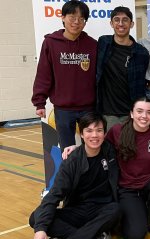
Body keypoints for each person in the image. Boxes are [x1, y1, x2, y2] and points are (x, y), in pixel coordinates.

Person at [63, 97, 150, 239]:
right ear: (132, 114)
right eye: (139, 111)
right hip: (128, 190)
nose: (144, 116)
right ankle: (131, 215)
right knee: (135, 236)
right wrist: (78, 148)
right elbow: (98, 145)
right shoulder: (117, 131)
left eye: (149, 112)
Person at [29, 112, 120, 239]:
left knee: (116, 210)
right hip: (77, 210)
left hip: (102, 210)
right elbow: (54, 194)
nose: (94, 135)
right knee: (35, 218)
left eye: (99, 130)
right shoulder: (73, 160)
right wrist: (40, 229)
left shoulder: (110, 151)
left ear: (105, 134)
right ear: (82, 134)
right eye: (89, 131)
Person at [31, 0, 97, 150]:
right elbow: (43, 73)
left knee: (92, 148)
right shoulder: (51, 43)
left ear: (85, 23)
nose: (76, 22)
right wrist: (39, 101)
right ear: (63, 17)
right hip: (63, 109)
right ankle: (71, 174)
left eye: (81, 19)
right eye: (72, 17)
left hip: (88, 108)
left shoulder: (92, 45)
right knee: (67, 150)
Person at [96, 7, 150, 130]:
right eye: (116, 20)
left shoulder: (141, 53)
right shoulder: (103, 43)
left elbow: (143, 84)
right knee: (110, 148)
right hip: (107, 114)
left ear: (131, 24)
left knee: (130, 148)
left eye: (125, 20)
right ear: (111, 23)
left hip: (131, 114)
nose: (120, 24)